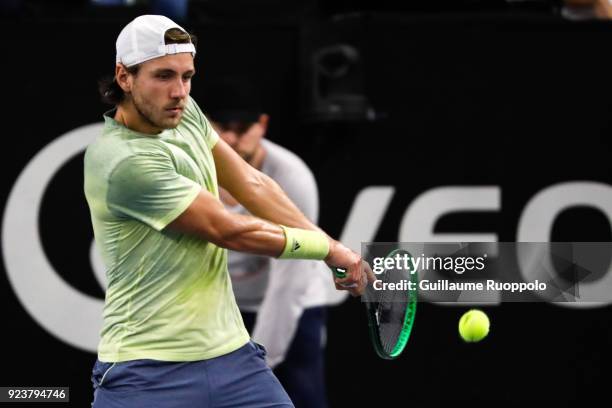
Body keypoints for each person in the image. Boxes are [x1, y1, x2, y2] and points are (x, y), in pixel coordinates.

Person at [84, 15, 372, 408]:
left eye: (187, 76)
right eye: (163, 76)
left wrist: (328, 242)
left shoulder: (185, 114)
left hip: (232, 359)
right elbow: (228, 230)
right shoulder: (123, 161)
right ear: (124, 76)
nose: (179, 92)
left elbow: (251, 183)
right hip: (146, 370)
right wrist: (329, 251)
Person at [205, 77, 334, 408]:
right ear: (204, 125)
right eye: (223, 126)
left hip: (294, 304)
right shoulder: (188, 172)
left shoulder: (293, 177)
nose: (232, 137)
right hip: (222, 307)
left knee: (301, 396)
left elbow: (288, 285)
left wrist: (256, 360)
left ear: (262, 125)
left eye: (243, 126)